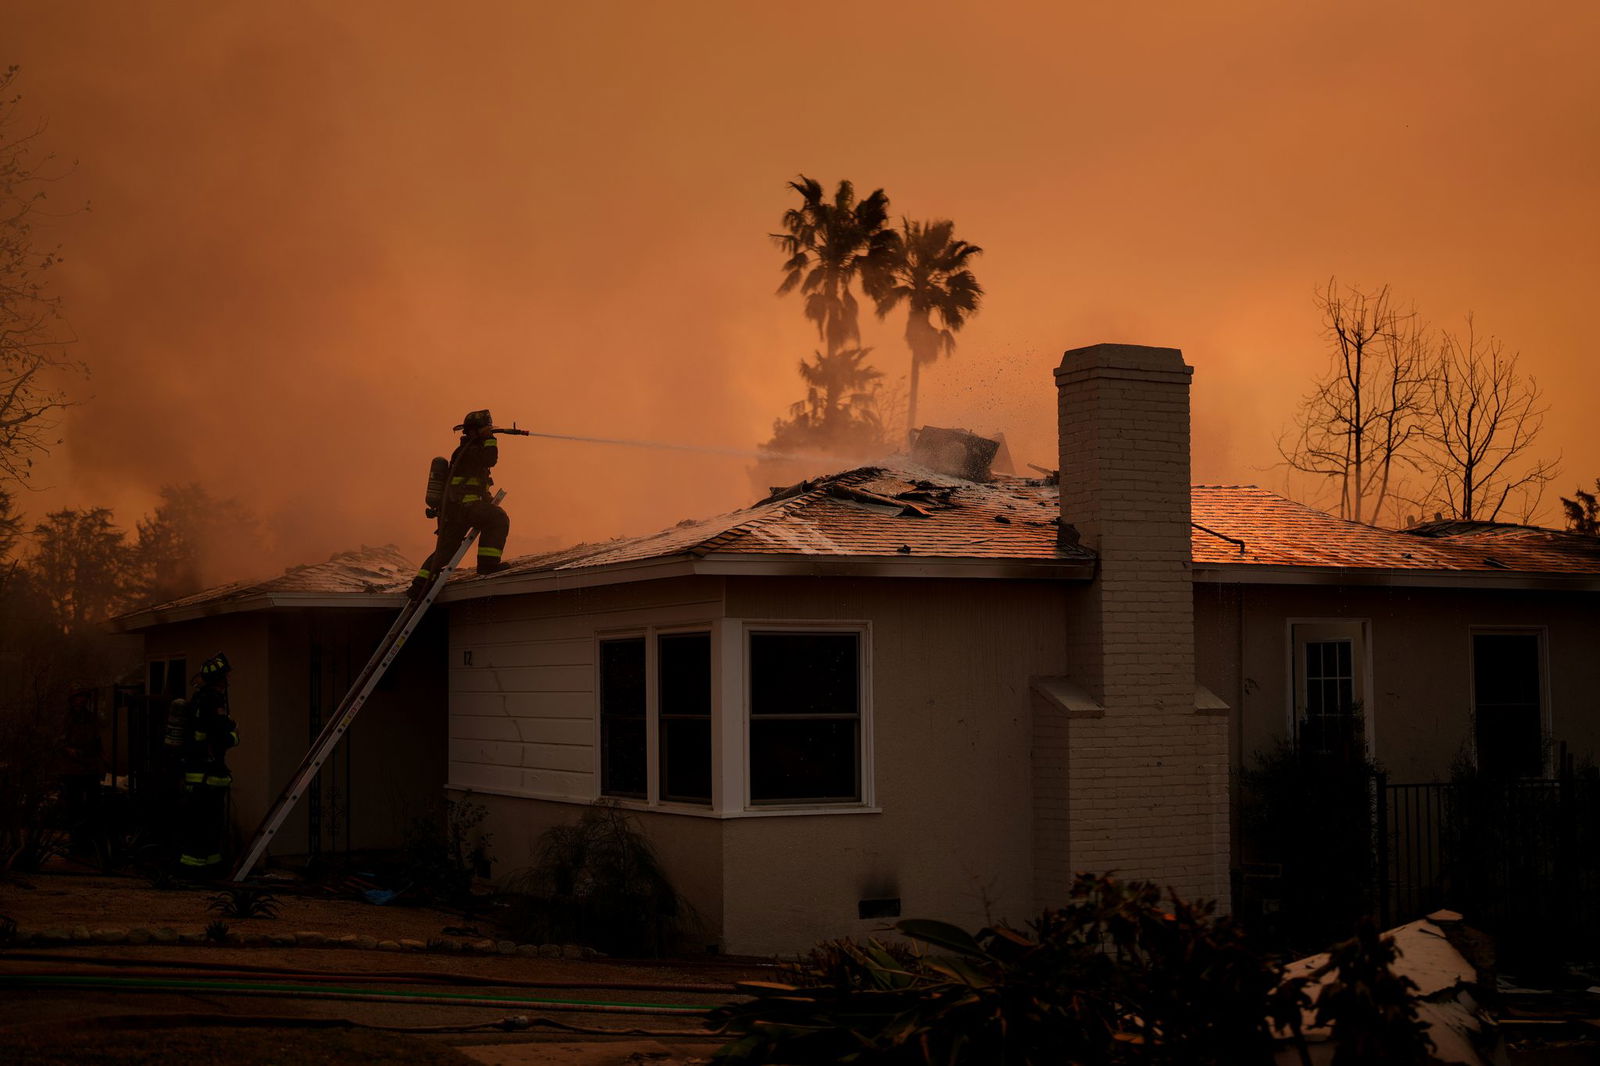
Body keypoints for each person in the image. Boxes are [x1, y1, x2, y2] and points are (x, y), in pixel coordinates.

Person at [408, 408, 511, 599]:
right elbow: (490, 459)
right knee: (498, 518)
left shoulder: (465, 451)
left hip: (454, 510)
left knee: (447, 549)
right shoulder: (471, 450)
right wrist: (490, 439)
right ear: (475, 431)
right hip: (465, 506)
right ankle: (488, 565)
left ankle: (419, 584)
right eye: (485, 429)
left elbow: (476, 479)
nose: (489, 431)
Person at [178, 652, 239, 873]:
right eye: (226, 677)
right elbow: (220, 735)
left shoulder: (198, 700)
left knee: (204, 822)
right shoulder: (213, 701)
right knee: (206, 823)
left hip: (200, 773)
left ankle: (208, 865)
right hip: (208, 775)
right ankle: (196, 869)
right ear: (219, 680)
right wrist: (234, 735)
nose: (228, 681)